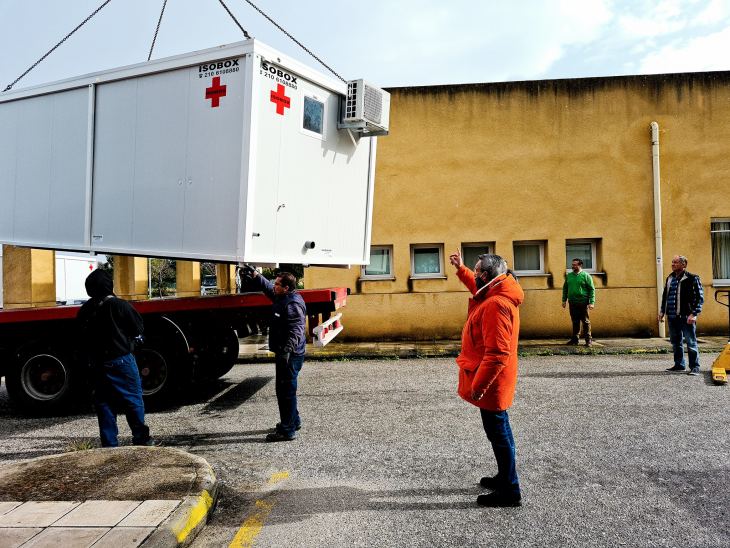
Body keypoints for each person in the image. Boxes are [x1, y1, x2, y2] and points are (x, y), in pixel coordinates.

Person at [450, 250, 524, 507]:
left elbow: (497, 352)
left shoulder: (496, 305)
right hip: (494, 381)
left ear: (486, 274)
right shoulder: (497, 290)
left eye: (476, 269)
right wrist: (461, 270)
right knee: (499, 430)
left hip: (491, 383)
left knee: (499, 432)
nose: (474, 273)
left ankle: (510, 489)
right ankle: (505, 476)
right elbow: (478, 287)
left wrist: (479, 387)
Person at [77, 269, 154, 447]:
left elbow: (80, 336)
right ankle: (141, 438)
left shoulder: (86, 310)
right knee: (133, 399)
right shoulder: (120, 305)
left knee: (104, 403)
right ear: (109, 286)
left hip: (97, 363)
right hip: (121, 360)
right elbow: (138, 328)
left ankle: (110, 444)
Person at [245, 266, 307, 442]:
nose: (274, 286)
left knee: (285, 391)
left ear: (286, 288)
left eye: (278, 284)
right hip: (286, 353)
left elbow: (297, 331)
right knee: (287, 390)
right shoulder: (283, 297)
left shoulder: (292, 304)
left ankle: (287, 431)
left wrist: (287, 351)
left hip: (290, 355)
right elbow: (267, 287)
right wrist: (257, 276)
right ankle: (293, 421)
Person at [659, 255, 704, 375]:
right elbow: (665, 296)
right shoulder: (669, 278)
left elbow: (699, 298)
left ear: (684, 265)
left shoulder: (692, 278)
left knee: (691, 342)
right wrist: (662, 311)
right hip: (672, 316)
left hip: (686, 316)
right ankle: (679, 365)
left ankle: (695, 367)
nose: (673, 264)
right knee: (676, 342)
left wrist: (694, 314)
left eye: (676, 262)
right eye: (672, 262)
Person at [561, 258, 596, 346]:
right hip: (572, 302)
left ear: (580, 265)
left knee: (585, 321)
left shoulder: (586, 276)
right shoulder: (569, 276)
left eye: (575, 265)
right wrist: (564, 300)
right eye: (572, 264)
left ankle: (588, 340)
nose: (573, 266)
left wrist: (592, 302)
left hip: (583, 302)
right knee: (575, 321)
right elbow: (565, 288)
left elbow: (592, 289)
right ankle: (575, 340)